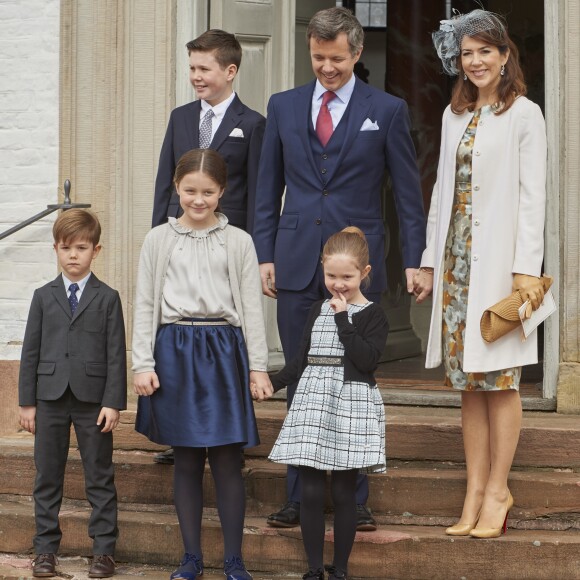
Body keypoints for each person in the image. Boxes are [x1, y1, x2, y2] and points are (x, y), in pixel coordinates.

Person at [253, 6, 426, 530]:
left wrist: (415, 261)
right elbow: (267, 188)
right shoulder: (283, 106)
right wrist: (265, 253)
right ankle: (296, 496)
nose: (327, 68)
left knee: (354, 382)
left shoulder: (388, 109)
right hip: (296, 259)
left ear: (355, 53)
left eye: (337, 59)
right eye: (318, 57)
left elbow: (409, 196)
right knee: (302, 377)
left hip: (356, 267)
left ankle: (355, 497)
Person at [413, 9, 547, 539]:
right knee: (469, 384)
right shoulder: (453, 115)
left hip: (498, 264)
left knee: (502, 379)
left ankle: (498, 490)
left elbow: (532, 199)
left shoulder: (525, 114)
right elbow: (440, 194)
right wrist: (428, 261)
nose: (475, 62)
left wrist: (523, 273)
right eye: (467, 53)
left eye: (484, 51)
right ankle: (472, 489)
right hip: (456, 265)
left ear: (504, 54)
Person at [132, 149, 273, 580]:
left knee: (228, 458)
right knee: (188, 458)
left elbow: (251, 308)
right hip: (174, 349)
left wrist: (258, 366)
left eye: (208, 192)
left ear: (222, 191)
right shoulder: (158, 239)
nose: (198, 199)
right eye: (190, 190)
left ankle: (234, 559)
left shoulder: (239, 241)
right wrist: (142, 362)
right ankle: (190, 557)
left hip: (224, 350)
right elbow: (144, 303)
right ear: (176, 188)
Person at [152, 28, 265, 467]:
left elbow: (258, 192)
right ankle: (179, 432)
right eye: (192, 68)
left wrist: (259, 254)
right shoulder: (181, 118)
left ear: (230, 70)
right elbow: (166, 181)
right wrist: (157, 240)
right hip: (178, 244)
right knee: (180, 337)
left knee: (222, 340)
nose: (195, 76)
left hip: (227, 248)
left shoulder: (252, 124)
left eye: (204, 68)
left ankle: (226, 433)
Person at [268, 227, 389, 580]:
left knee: (342, 488)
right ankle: (313, 568)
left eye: (347, 277)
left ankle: (340, 568)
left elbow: (366, 360)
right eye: (331, 275)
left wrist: (342, 317)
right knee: (309, 485)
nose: (338, 284)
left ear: (365, 274)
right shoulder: (316, 309)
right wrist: (272, 383)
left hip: (351, 400)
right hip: (312, 399)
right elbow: (301, 359)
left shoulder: (373, 314)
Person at [18, 209, 127, 579]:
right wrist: (26, 402)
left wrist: (113, 401)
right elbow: (30, 350)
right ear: (56, 250)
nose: (73, 255)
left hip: (93, 402)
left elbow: (116, 353)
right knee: (47, 476)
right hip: (48, 398)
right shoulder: (42, 296)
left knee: (99, 476)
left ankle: (104, 551)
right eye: (66, 248)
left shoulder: (108, 297)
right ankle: (45, 549)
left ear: (96, 250)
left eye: (81, 248)